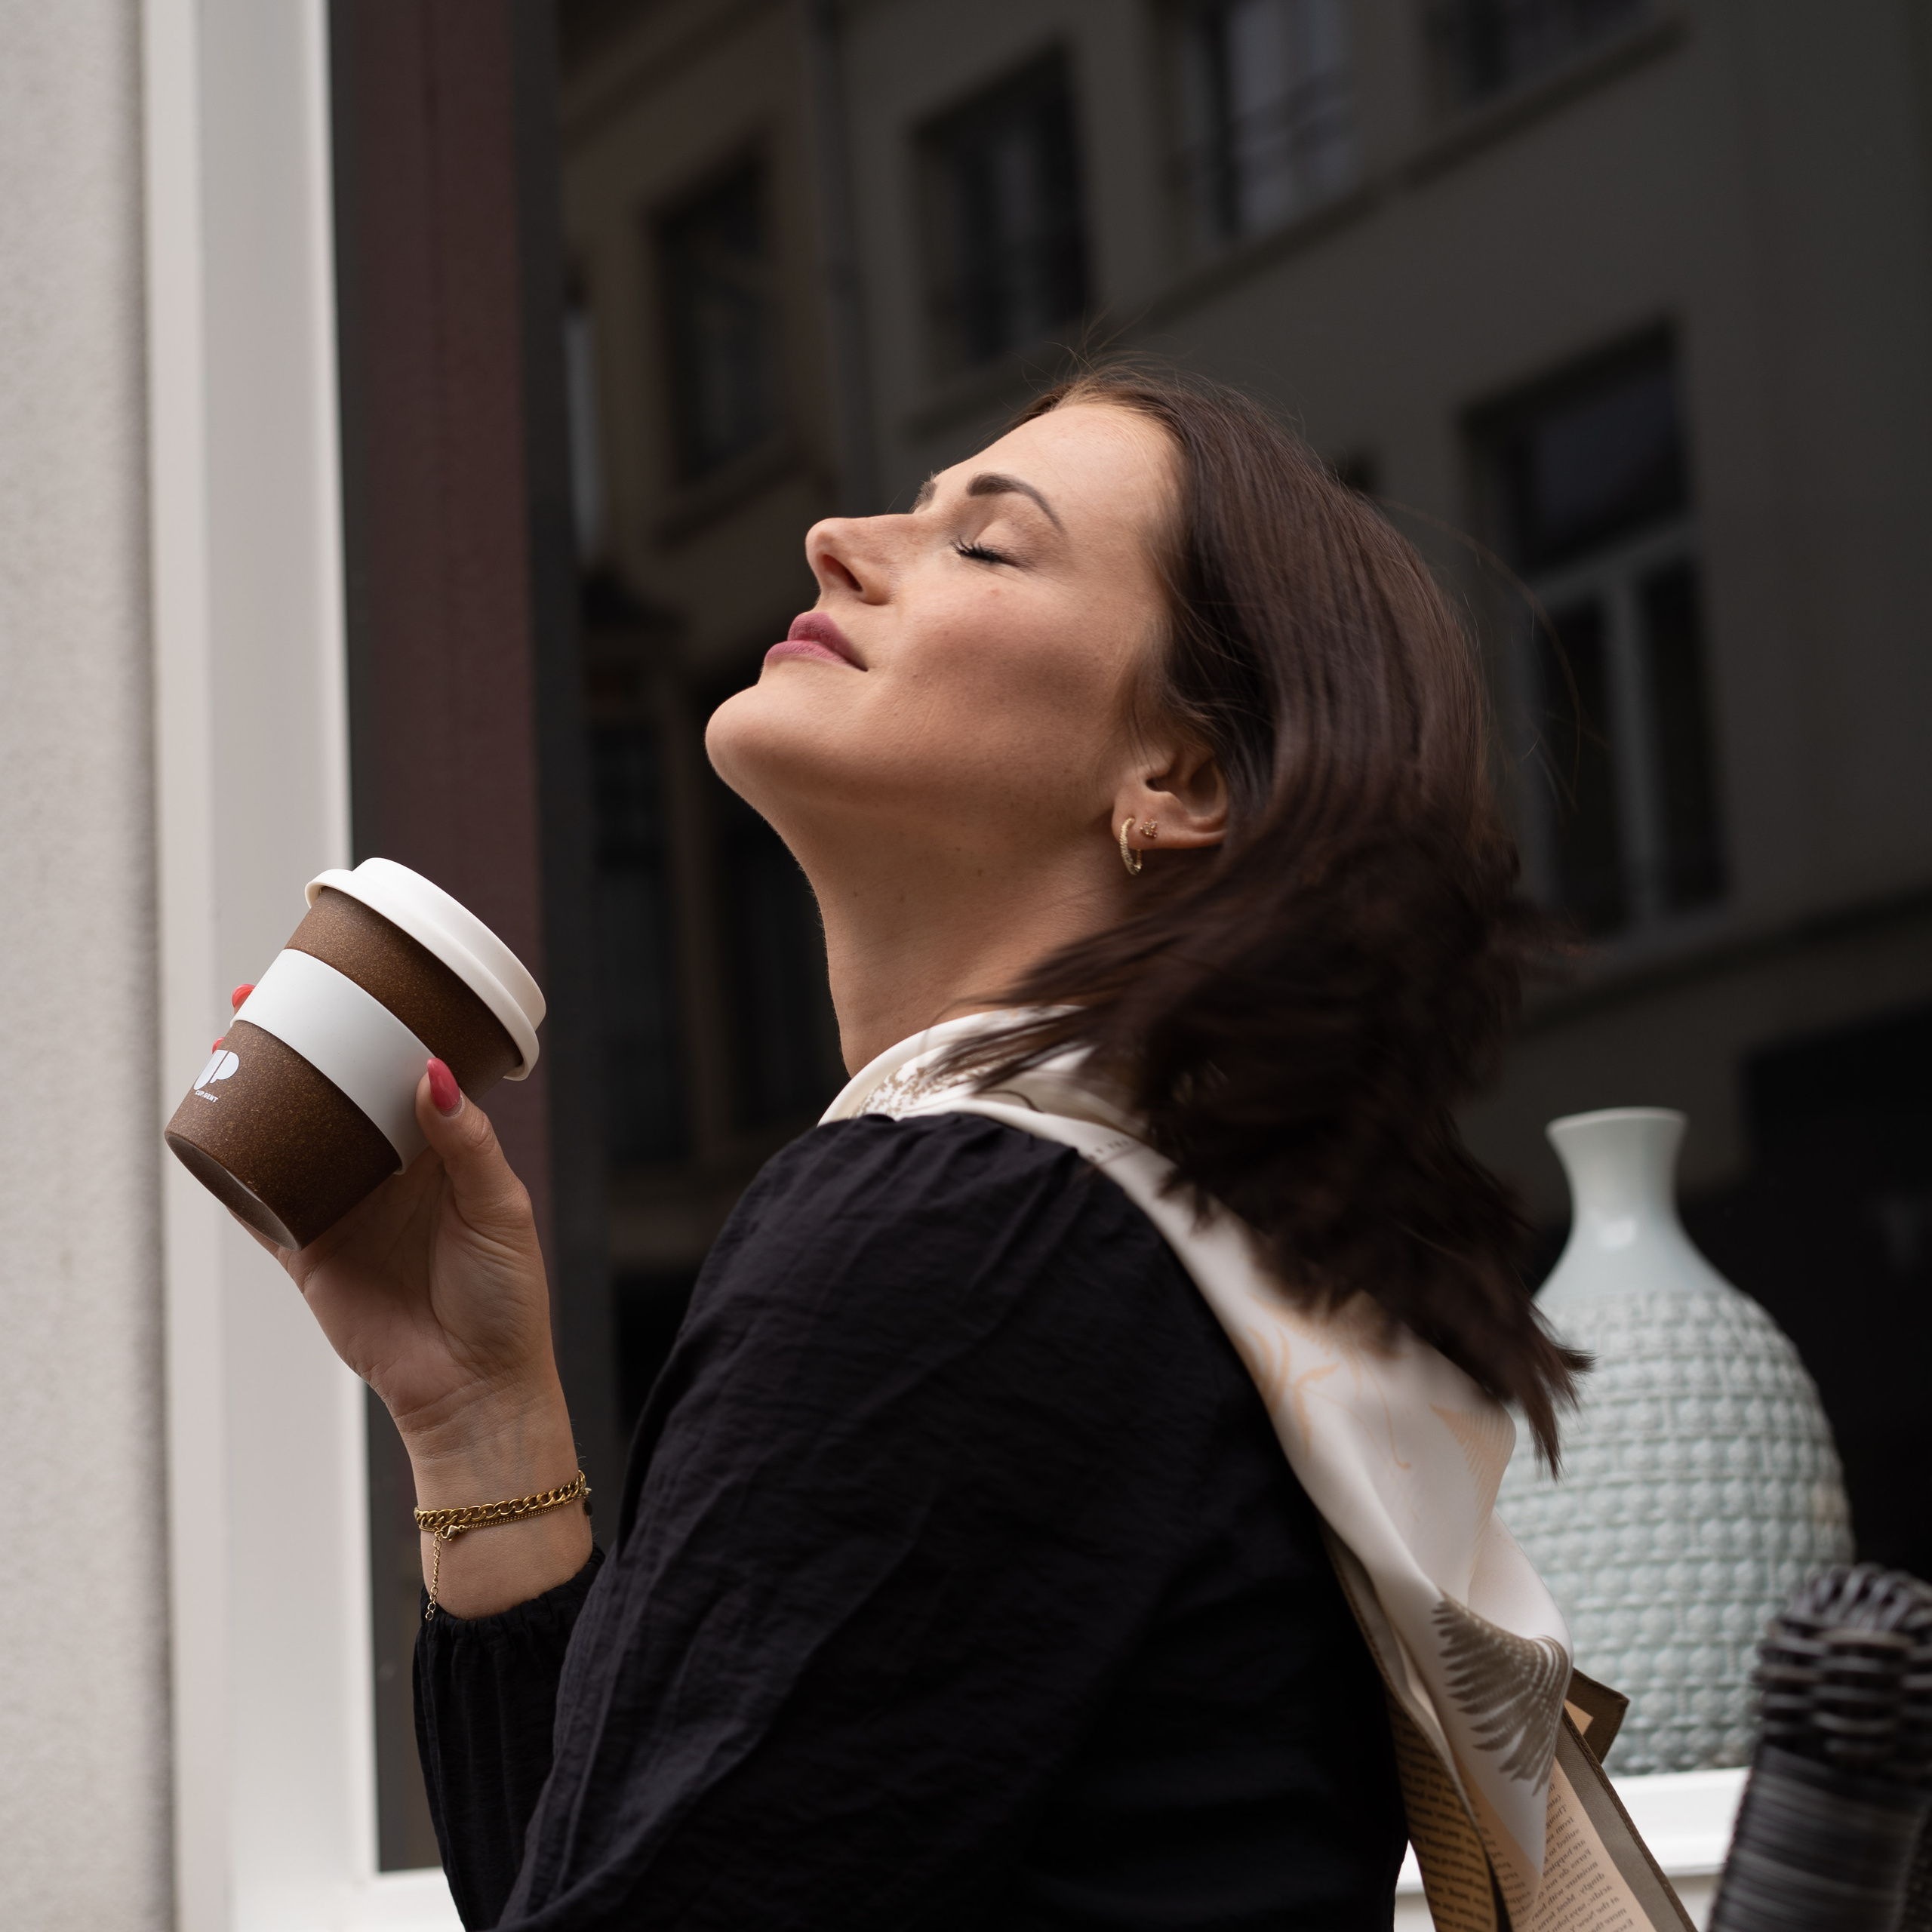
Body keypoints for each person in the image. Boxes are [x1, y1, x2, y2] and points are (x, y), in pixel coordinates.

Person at [252, 367, 1582, 1930]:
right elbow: (604, 1870)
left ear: (1182, 776)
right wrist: (482, 1424)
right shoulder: (1128, 1252)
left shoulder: (969, 1234)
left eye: (986, 545)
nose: (832, 538)